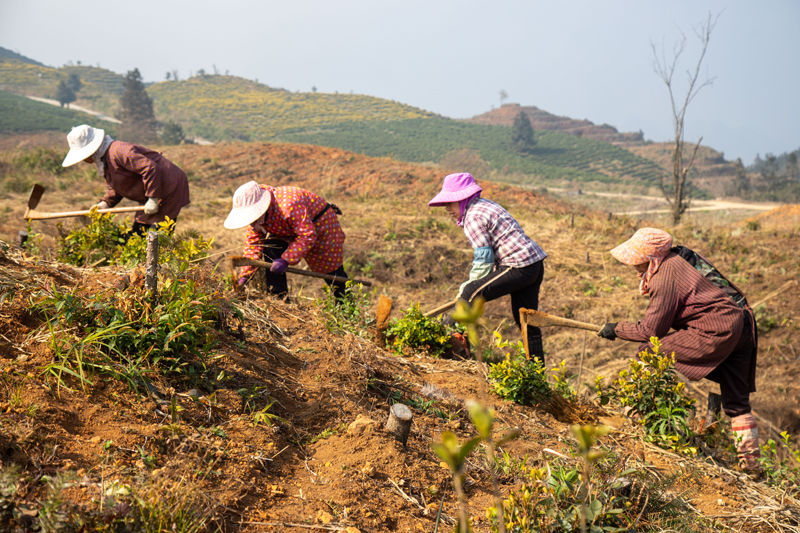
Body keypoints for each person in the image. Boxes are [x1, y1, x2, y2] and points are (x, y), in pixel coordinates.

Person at [598, 228, 760, 473]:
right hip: (743, 325)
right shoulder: (682, 256)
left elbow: (651, 331)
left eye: (637, 259)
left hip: (716, 329)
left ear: (650, 257)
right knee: (738, 404)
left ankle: (631, 420)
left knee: (649, 354)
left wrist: (616, 329)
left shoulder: (664, 275)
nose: (633, 265)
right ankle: (752, 466)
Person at [428, 173, 548, 362]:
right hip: (534, 264)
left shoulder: (472, 217)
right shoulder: (485, 205)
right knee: (526, 321)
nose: (447, 209)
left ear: (461, 200)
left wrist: (466, 292)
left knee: (470, 292)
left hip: (518, 265)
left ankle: (440, 339)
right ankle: (536, 373)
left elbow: (484, 261)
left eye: (449, 204)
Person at [61, 124, 190, 239]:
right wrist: (106, 203)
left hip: (168, 185)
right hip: (152, 188)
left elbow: (150, 168)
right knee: (141, 226)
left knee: (158, 230)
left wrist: (153, 198)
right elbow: (119, 184)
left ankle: (155, 260)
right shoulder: (105, 159)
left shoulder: (119, 151)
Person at [224, 181, 348, 298]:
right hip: (288, 229)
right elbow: (253, 244)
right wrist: (245, 275)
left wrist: (286, 259)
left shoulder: (289, 205)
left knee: (332, 272)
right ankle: (279, 296)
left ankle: (345, 303)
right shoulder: (257, 219)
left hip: (321, 226)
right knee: (271, 249)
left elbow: (307, 235)